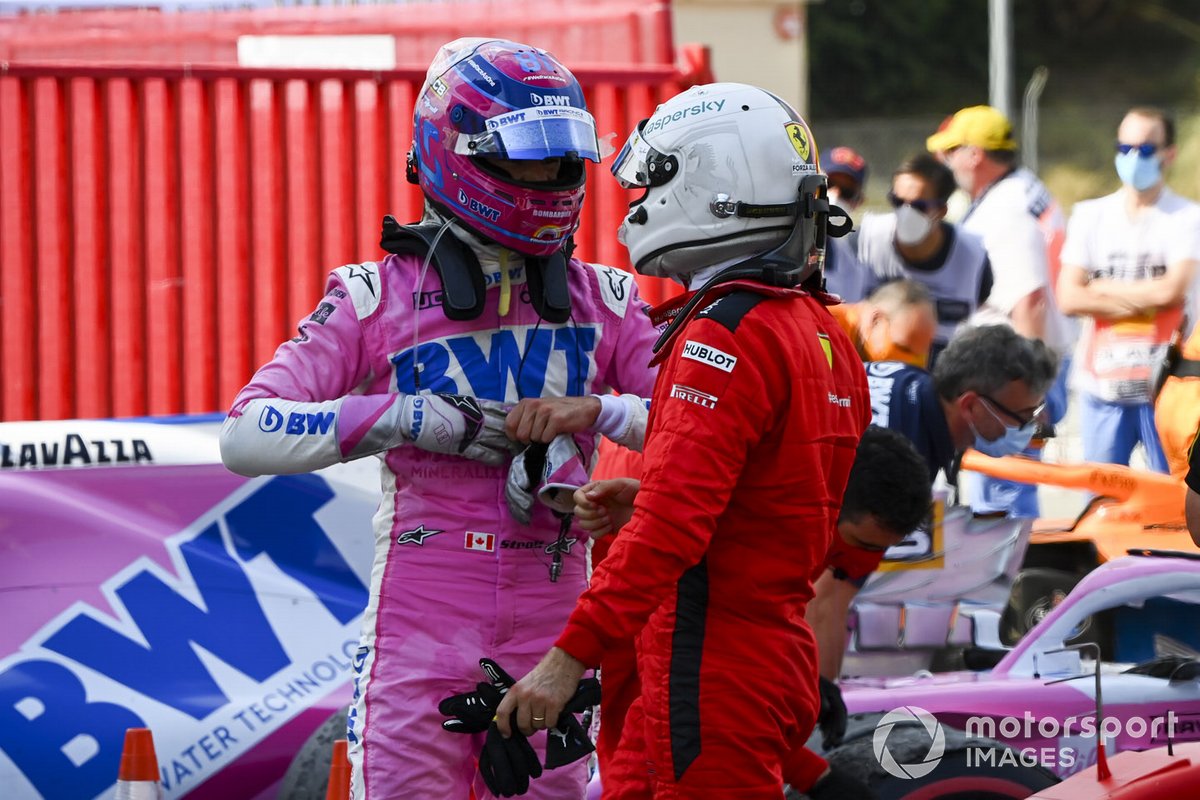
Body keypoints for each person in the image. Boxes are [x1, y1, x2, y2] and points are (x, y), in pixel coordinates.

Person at [218, 38, 659, 800]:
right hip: (418, 625)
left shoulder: (611, 298)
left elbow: (700, 421)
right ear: (454, 150)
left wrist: (600, 410)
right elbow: (246, 433)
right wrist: (408, 417)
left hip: (557, 624)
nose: (546, 179)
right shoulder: (369, 296)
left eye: (558, 161)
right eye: (522, 159)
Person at [494, 82, 871, 798]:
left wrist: (567, 659)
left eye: (652, 179)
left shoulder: (722, 333)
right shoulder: (822, 329)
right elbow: (780, 494)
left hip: (709, 660)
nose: (635, 202)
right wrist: (646, 494)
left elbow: (674, 528)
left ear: (711, 185)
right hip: (764, 649)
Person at [575, 425, 932, 800]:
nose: (855, 564)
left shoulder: (775, 532)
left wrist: (817, 774)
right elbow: (666, 724)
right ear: (826, 495)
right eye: (859, 544)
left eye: (876, 552)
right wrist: (815, 774)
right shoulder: (696, 552)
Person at [926, 105, 1070, 517]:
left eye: (950, 151)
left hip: (1013, 378)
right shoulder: (1021, 191)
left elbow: (1029, 300)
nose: (945, 161)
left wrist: (1031, 391)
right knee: (1004, 488)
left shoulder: (1005, 209)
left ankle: (1010, 579)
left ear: (974, 155)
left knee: (1003, 495)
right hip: (1017, 373)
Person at [1056, 106, 1200, 472]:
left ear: (1170, 154)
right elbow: (1068, 297)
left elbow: (1172, 292)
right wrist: (1145, 297)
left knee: (1170, 503)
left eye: (1146, 149)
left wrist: (1101, 289)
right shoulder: (1090, 215)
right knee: (1102, 501)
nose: (1134, 158)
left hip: (1167, 386)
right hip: (1101, 386)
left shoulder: (1187, 218)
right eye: (1125, 148)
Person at [868, 324, 1059, 485]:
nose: (1032, 426)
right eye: (1024, 416)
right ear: (970, 406)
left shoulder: (906, 375)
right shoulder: (904, 460)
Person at [853, 153, 992, 366]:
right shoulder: (865, 242)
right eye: (898, 202)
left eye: (919, 206)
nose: (905, 213)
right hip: (870, 370)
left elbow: (979, 304)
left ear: (942, 210)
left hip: (941, 376)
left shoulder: (972, 257)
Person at [828, 278, 938, 367]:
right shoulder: (822, 326)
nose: (909, 364)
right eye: (903, 349)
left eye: (920, 356)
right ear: (875, 320)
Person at [822, 145, 873, 302]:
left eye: (847, 192)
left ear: (858, 202)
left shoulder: (852, 268)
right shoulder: (779, 238)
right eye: (827, 184)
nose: (834, 195)